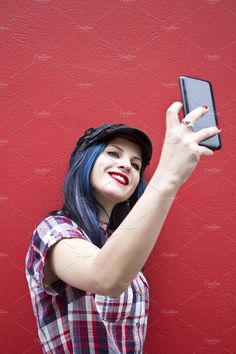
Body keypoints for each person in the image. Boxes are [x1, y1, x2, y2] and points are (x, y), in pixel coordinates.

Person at [25, 102, 221, 353]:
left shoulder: (119, 243)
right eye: (114, 153)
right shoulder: (53, 230)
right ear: (85, 161)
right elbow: (105, 278)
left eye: (136, 164)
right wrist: (168, 177)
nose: (127, 165)